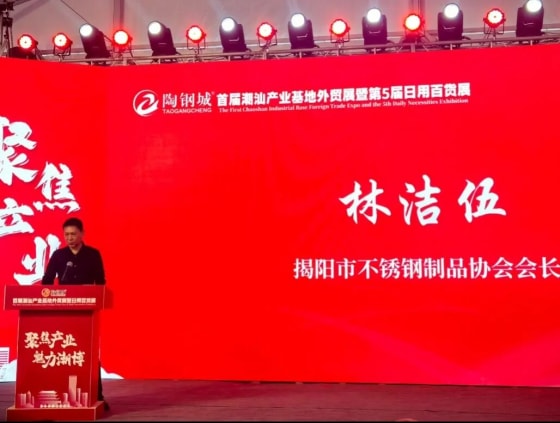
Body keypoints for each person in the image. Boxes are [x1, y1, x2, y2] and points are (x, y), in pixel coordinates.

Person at [41, 216, 109, 411]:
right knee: (64, 352)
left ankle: (97, 396)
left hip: (87, 312)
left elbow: (101, 282)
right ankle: (63, 394)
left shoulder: (93, 254)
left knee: (88, 353)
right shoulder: (59, 255)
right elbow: (47, 280)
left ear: (82, 234)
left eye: (73, 234)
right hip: (64, 311)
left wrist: (93, 295)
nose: (69, 238)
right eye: (66, 235)